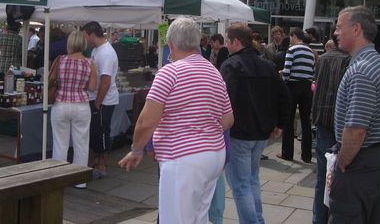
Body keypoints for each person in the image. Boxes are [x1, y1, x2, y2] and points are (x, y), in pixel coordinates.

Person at [119, 18, 233, 224]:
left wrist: (137, 149)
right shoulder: (214, 72)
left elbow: (146, 121)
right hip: (214, 155)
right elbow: (228, 119)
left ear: (171, 44)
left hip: (184, 158)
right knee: (200, 217)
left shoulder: (169, 72)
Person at [329, 5, 380, 223]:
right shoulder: (378, 63)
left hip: (362, 161)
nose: (336, 32)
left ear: (357, 28)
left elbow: (357, 129)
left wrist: (342, 159)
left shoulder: (362, 70)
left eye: (340, 27)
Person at [221, 23, 291, 224]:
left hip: (240, 134)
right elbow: (284, 97)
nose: (226, 45)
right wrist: (280, 124)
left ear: (236, 42)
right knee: (251, 180)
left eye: (227, 41)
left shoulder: (230, 65)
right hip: (261, 134)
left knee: (242, 184)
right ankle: (257, 219)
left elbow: (224, 100)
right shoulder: (267, 65)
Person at [50, 31, 97, 188]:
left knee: (60, 143)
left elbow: (51, 81)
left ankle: (58, 178)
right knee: (81, 143)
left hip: (61, 104)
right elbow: (91, 88)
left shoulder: (60, 60)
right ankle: (80, 181)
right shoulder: (90, 63)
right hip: (81, 105)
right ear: (83, 44)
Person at [311, 34, 350, 224]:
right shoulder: (350, 60)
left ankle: (319, 219)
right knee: (342, 176)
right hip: (341, 123)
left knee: (322, 176)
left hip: (322, 120)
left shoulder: (323, 59)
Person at [82, 21, 119, 179]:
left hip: (104, 100)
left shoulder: (106, 53)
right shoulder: (96, 50)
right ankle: (91, 162)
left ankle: (102, 165)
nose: (84, 40)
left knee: (102, 132)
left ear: (91, 34)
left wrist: (98, 102)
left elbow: (106, 81)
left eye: (85, 36)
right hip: (97, 98)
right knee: (94, 132)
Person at [279, 28, 315, 163]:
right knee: (306, 121)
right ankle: (306, 155)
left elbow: (287, 71)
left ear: (294, 36)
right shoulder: (311, 52)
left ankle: (287, 153)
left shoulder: (292, 50)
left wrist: (283, 80)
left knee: (288, 120)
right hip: (306, 87)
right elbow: (312, 71)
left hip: (292, 87)